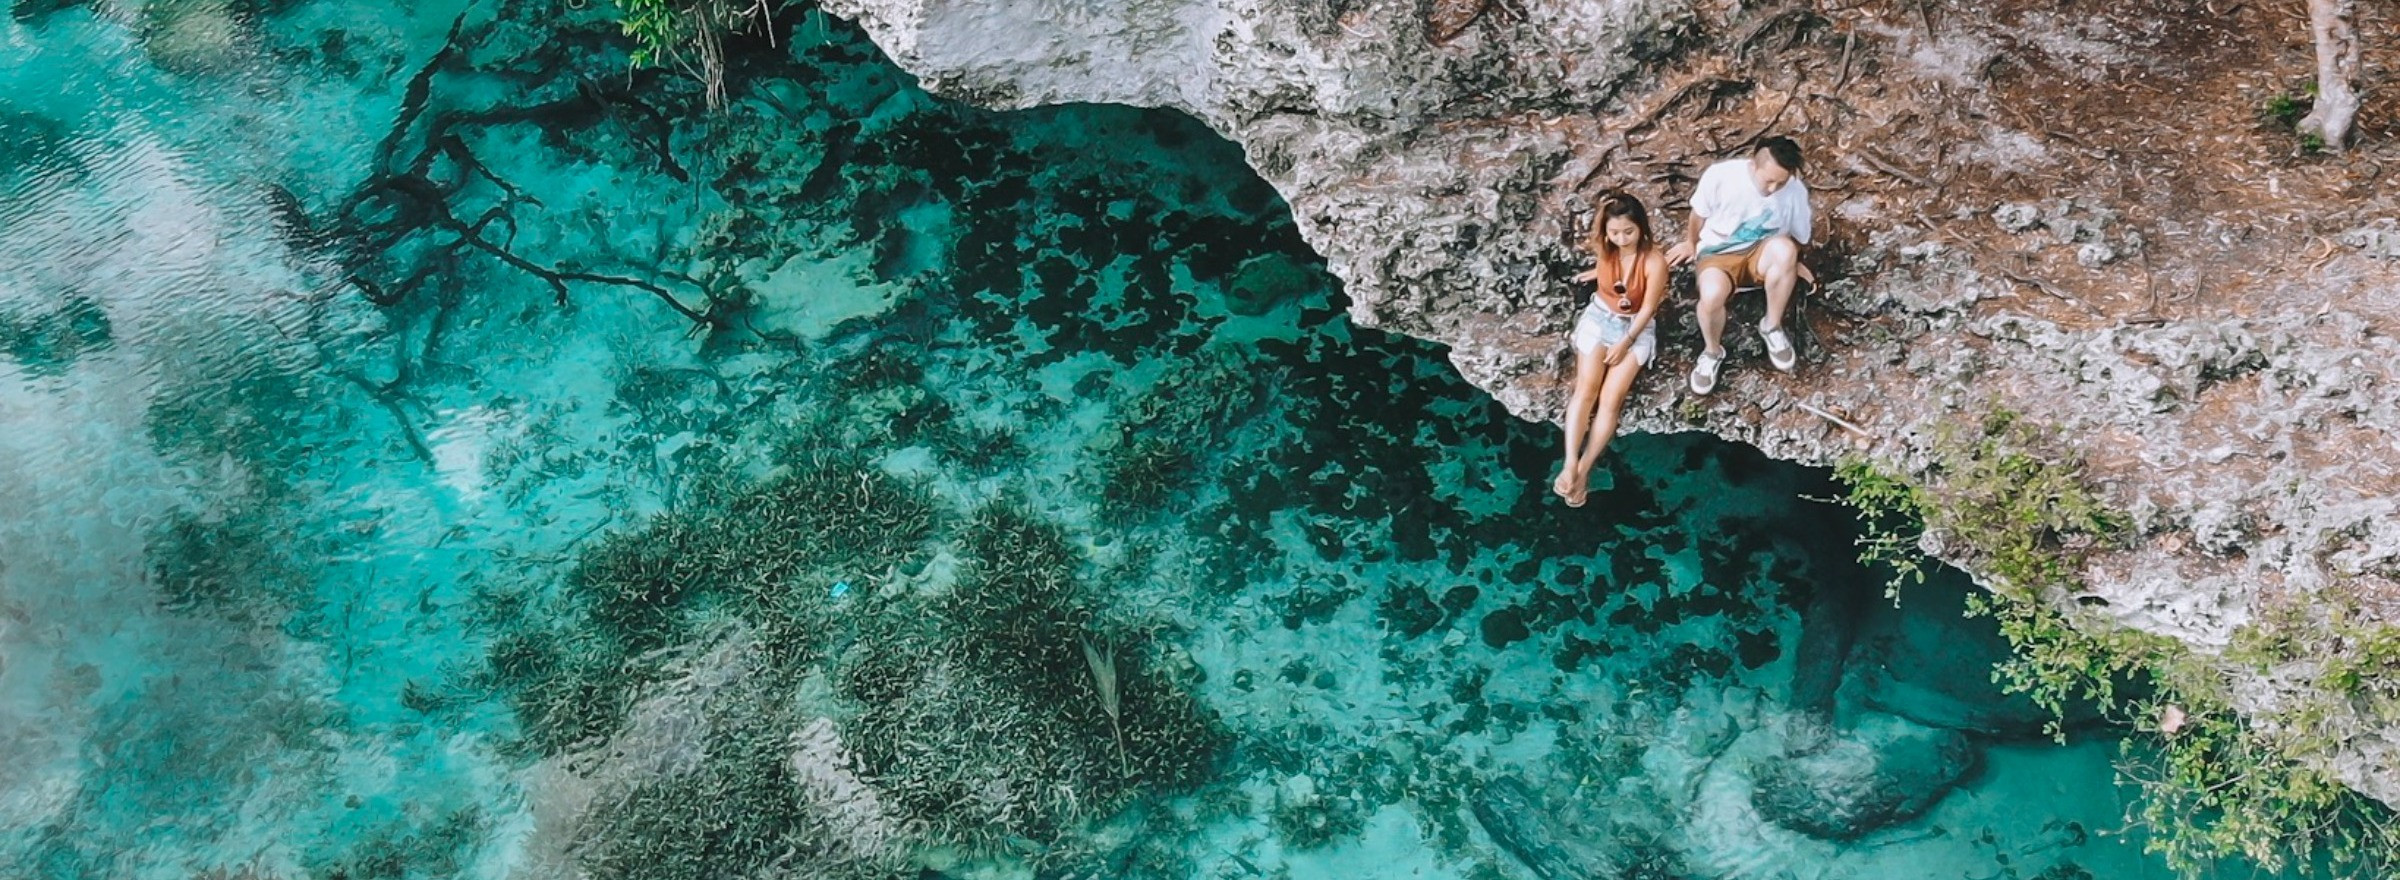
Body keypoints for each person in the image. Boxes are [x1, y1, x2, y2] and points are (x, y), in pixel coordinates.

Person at [1665, 136, 1815, 395]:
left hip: (1762, 252)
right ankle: (1712, 352)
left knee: (1785, 250)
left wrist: (1793, 263)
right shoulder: (1721, 176)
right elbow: (1698, 213)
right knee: (1710, 297)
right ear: (1753, 166)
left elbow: (1799, 236)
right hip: (1719, 254)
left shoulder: (1794, 190)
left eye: (1780, 183)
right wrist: (1690, 243)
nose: (1772, 189)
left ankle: (1772, 325)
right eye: (1768, 180)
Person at [1554, 193, 1668, 507]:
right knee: (1586, 389)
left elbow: (1648, 308)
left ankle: (1584, 470)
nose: (1621, 238)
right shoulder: (1605, 248)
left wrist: (1625, 342)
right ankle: (1569, 463)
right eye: (1615, 232)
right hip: (1599, 318)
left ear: (1641, 229)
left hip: (1634, 327)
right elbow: (1604, 268)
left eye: (1628, 232)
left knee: (1611, 398)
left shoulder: (1653, 260)